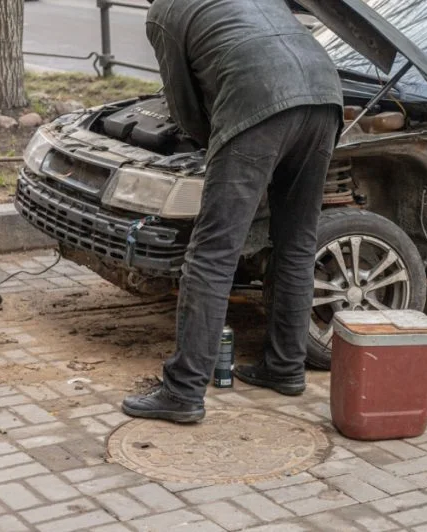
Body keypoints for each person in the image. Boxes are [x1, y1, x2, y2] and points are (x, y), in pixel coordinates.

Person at [121, 0, 343, 423]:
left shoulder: (164, 12)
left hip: (258, 101)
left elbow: (183, 104)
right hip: (324, 95)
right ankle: (285, 368)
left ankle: (183, 391)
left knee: (211, 255)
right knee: (297, 243)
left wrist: (216, 145)